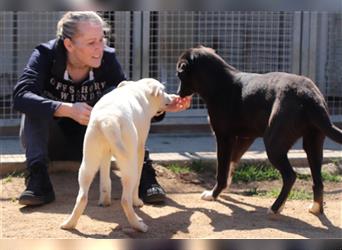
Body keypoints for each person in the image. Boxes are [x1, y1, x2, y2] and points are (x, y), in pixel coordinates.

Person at [13, 11, 191, 206]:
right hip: (53, 143)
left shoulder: (107, 59)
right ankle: (38, 180)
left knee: (118, 96)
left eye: (101, 39)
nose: (100, 48)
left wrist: (161, 106)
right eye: (91, 43)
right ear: (69, 44)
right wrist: (68, 109)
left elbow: (131, 104)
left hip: (96, 141)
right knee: (34, 106)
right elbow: (21, 96)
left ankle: (145, 177)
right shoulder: (45, 55)